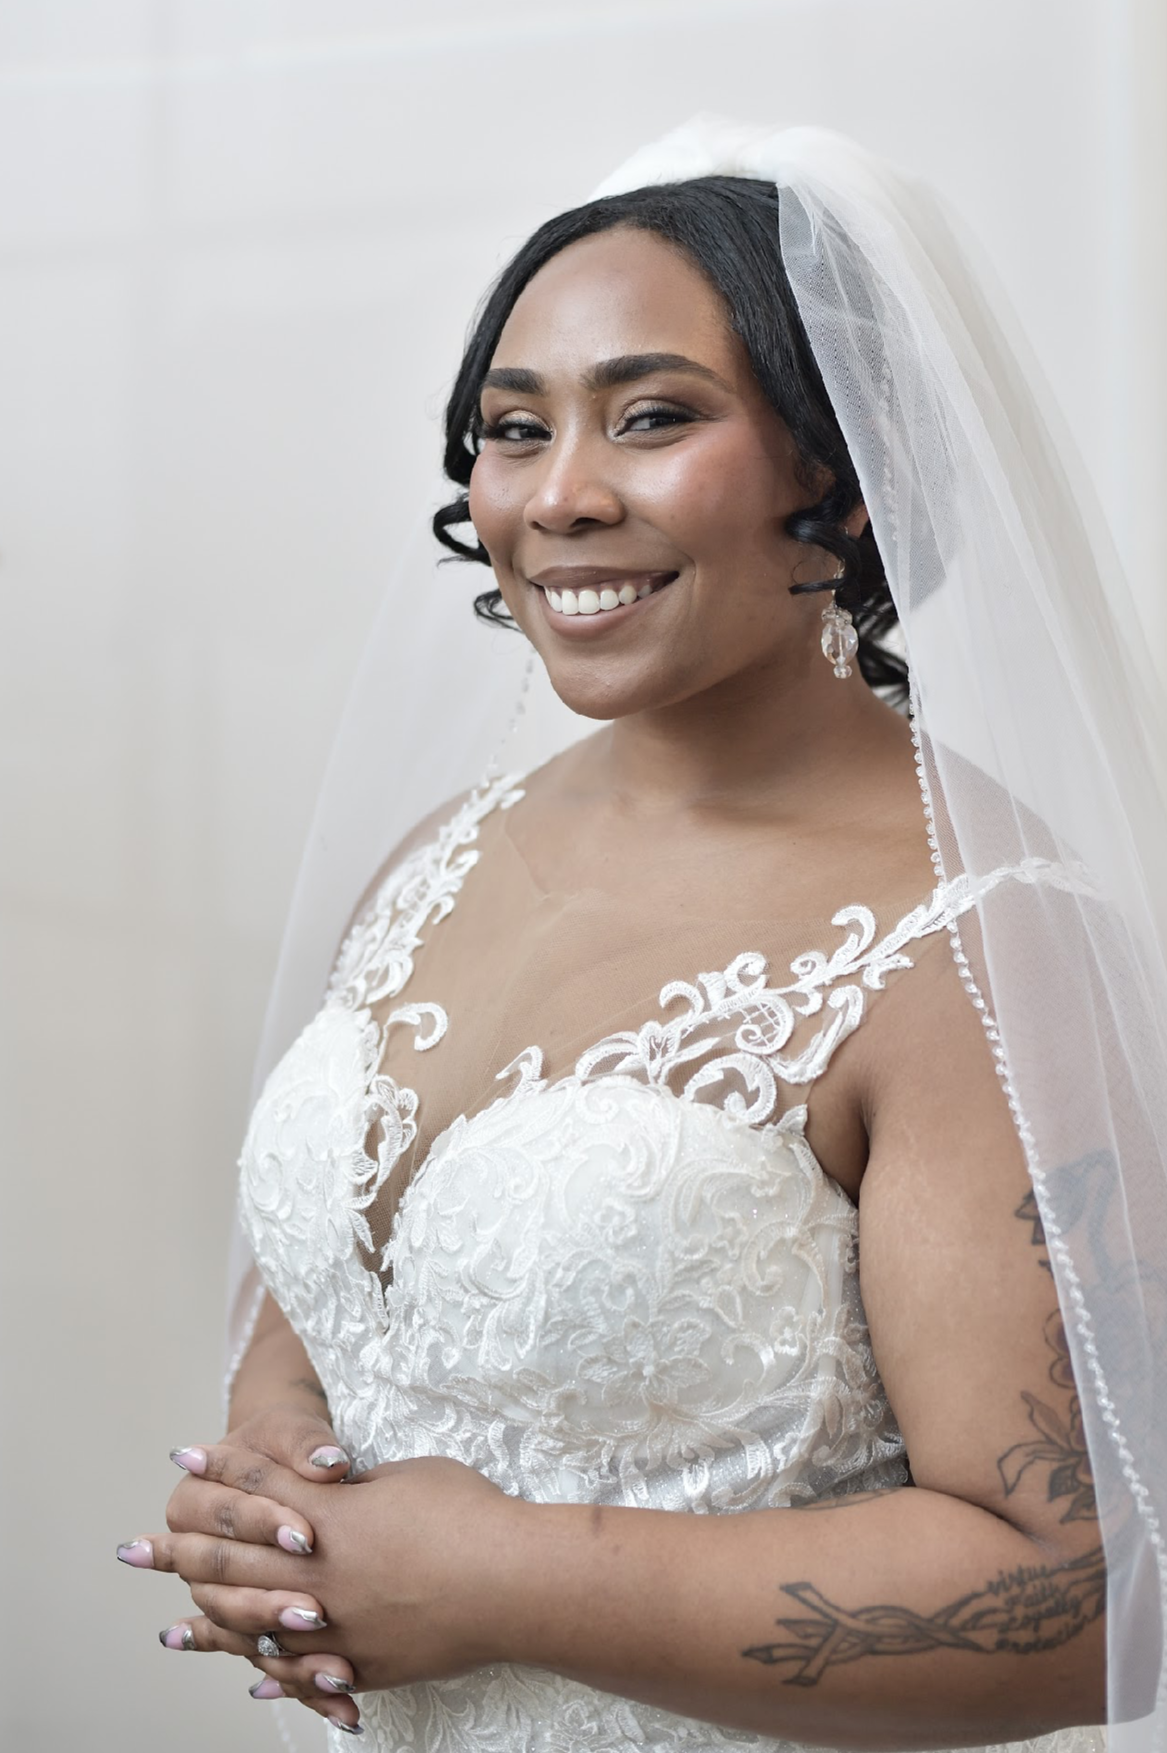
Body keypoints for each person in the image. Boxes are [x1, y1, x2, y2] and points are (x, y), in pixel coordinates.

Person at [116, 120, 1167, 1751]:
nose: (561, 498)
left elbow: (1090, 1592)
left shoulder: (974, 944)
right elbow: (330, 1302)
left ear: (842, 472)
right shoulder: (435, 860)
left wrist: (510, 1582)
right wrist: (271, 1494)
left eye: (652, 417)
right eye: (511, 431)